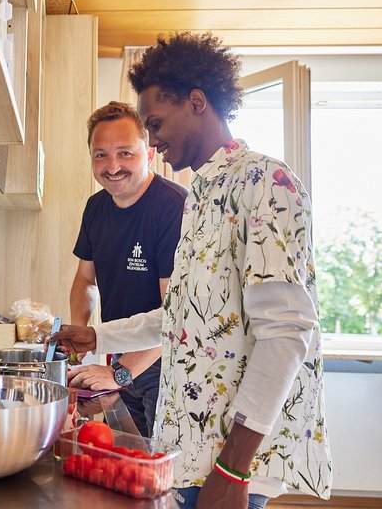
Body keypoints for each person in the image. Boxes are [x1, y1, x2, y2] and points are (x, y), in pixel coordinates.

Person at [51, 32, 332, 509]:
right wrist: (98, 338)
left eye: (156, 123)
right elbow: (185, 315)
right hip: (191, 443)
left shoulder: (265, 180)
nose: (152, 138)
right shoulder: (201, 197)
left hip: (230, 455)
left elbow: (285, 334)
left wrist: (232, 468)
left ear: (197, 102)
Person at [67, 101, 187, 437]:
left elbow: (175, 316)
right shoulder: (96, 207)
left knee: (162, 470)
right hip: (119, 358)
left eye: (125, 153)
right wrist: (81, 338)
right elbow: (85, 279)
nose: (112, 166)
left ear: (149, 154)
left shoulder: (174, 209)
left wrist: (121, 373)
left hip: (164, 364)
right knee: (131, 463)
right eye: (101, 154)